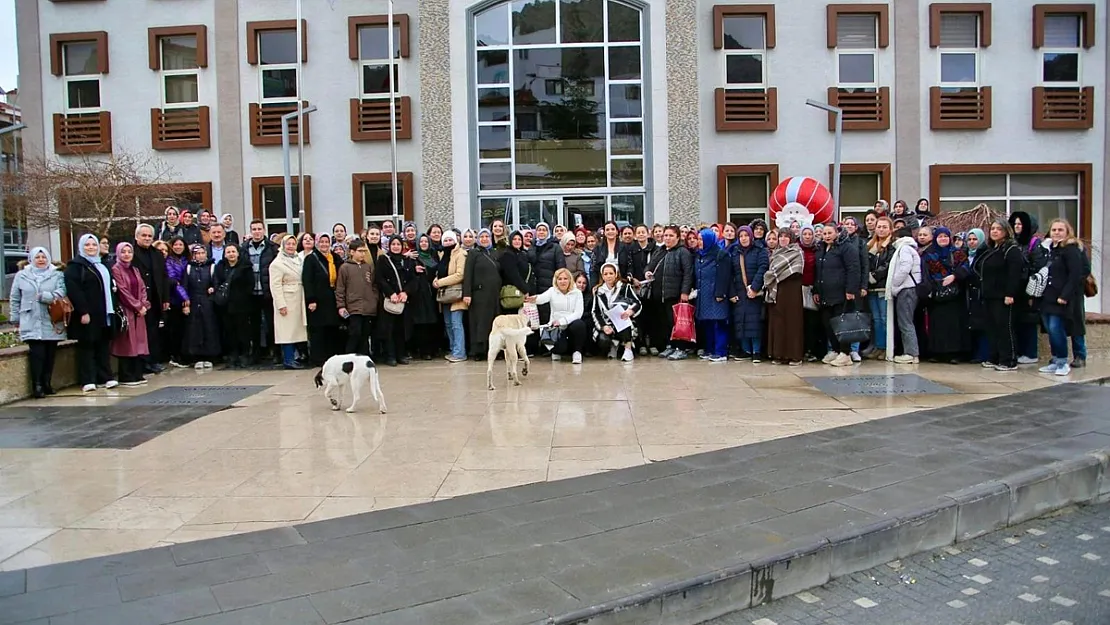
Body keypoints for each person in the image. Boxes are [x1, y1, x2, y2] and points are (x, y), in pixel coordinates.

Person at [10, 247, 67, 397]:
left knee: (50, 354)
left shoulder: (57, 274)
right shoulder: (22, 276)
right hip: (31, 319)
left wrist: (45, 297)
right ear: (31, 259)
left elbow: (61, 292)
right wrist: (15, 318)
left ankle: (47, 382)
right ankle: (37, 385)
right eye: (37, 257)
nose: (41, 260)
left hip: (51, 320)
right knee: (37, 353)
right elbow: (15, 298)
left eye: (43, 257)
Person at [970, 219, 1025, 372]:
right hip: (989, 295)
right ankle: (995, 357)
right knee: (992, 328)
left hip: (1004, 296)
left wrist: (1010, 293)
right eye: (992, 228)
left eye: (998, 229)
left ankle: (1009, 360)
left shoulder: (1011, 249)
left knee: (1004, 327)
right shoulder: (992, 249)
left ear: (1006, 231)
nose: (994, 231)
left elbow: (1014, 274)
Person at [66, 235, 119, 391]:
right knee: (87, 346)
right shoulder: (76, 267)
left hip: (104, 313)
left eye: (93, 245)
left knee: (103, 345)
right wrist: (83, 311)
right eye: (87, 245)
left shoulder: (102, 265)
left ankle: (105, 377)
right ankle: (88, 379)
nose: (91, 247)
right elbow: (74, 290)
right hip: (88, 314)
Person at [1038, 218, 1086, 377]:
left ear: (1067, 232)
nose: (1056, 233)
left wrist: (1064, 296)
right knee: (1051, 331)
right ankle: (1056, 359)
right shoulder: (1051, 249)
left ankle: (1062, 362)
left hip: (1060, 298)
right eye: (1054, 230)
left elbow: (1075, 275)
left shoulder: (1071, 250)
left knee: (1056, 328)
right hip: (1047, 297)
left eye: (1060, 230)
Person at [814, 224, 862, 367]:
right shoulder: (822, 248)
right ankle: (835, 350)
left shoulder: (846, 248)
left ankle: (845, 353)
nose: (827, 236)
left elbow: (853, 269)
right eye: (824, 233)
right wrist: (816, 290)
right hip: (825, 294)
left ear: (837, 233)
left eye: (830, 233)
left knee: (842, 324)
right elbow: (818, 271)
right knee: (828, 324)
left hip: (841, 293)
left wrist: (851, 290)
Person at [921, 227, 970, 364]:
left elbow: (966, 268)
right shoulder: (928, 254)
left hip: (954, 296)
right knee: (937, 324)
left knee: (954, 325)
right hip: (937, 295)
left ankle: (955, 353)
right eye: (940, 236)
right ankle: (938, 353)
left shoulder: (957, 253)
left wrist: (954, 276)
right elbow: (924, 273)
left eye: (945, 236)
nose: (943, 239)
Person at [645, 225, 694, 360]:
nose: (667, 238)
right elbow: (650, 266)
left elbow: (688, 273)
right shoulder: (660, 251)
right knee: (664, 322)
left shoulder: (682, 252)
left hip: (675, 294)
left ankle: (681, 348)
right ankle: (670, 346)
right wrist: (647, 272)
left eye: (671, 235)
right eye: (666, 235)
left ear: (678, 238)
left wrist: (684, 291)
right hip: (659, 294)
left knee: (677, 323)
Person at [109, 242, 151, 386]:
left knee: (139, 341)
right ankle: (126, 375)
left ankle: (137, 373)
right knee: (127, 342)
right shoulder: (116, 269)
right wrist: (137, 306)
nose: (126, 254)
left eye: (129, 252)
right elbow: (122, 291)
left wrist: (144, 304)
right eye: (123, 252)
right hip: (127, 310)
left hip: (139, 312)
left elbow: (142, 288)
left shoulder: (135, 270)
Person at [1009, 211, 1047, 365]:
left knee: (1028, 322)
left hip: (1028, 289)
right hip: (1015, 288)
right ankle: (1018, 351)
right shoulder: (1013, 242)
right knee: (1016, 322)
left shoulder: (1034, 243)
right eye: (1015, 224)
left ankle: (1030, 353)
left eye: (1020, 224)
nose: (1017, 227)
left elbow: (1038, 266)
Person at [763, 230, 805, 365]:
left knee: (793, 323)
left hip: (792, 290)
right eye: (780, 236)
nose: (783, 239)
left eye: (786, 237)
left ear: (791, 238)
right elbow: (772, 272)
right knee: (778, 323)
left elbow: (797, 269)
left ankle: (794, 355)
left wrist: (777, 276)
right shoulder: (775, 254)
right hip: (777, 291)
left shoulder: (797, 252)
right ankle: (779, 354)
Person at [530, 268, 587, 364]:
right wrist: (533, 299)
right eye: (559, 279)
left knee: (579, 325)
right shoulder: (552, 291)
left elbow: (578, 313)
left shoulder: (577, 293)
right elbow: (541, 298)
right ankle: (556, 351)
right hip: (556, 328)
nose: (562, 281)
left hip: (570, 324)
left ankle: (577, 352)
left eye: (565, 278)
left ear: (570, 280)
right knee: (559, 349)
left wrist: (562, 321)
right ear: (556, 280)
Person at [301, 233, 343, 366]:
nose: (324, 244)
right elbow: (307, 280)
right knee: (318, 330)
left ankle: (331, 357)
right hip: (318, 301)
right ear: (317, 243)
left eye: (327, 242)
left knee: (332, 329)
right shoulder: (311, 259)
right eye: (322, 242)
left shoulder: (335, 258)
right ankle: (318, 358)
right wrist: (311, 299)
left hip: (332, 299)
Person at [241, 219, 278, 365]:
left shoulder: (272, 248)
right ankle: (255, 354)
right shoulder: (244, 248)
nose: (257, 232)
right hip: (251, 293)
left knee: (271, 324)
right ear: (251, 231)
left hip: (267, 292)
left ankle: (274, 352)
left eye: (259, 229)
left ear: (264, 230)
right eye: (254, 229)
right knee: (253, 326)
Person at [376, 236, 417, 366]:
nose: (395, 246)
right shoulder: (383, 260)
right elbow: (379, 278)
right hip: (389, 300)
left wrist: (406, 292)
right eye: (393, 244)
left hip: (403, 300)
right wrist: (391, 293)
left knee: (401, 329)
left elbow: (413, 280)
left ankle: (401, 354)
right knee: (389, 329)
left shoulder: (407, 261)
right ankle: (390, 356)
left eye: (398, 244)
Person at [692, 228, 731, 363]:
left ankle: (720, 352)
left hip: (716, 294)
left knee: (718, 323)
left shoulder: (721, 255)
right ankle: (710, 350)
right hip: (703, 294)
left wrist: (720, 293)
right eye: (699, 239)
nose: (699, 242)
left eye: (701, 239)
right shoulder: (699, 255)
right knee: (707, 323)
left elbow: (725, 275)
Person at [463, 229, 503, 360]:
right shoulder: (474, 253)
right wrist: (467, 293)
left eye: (487, 236)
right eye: (482, 236)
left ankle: (494, 350)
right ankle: (478, 351)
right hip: (479, 294)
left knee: (494, 323)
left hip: (494, 294)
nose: (485, 239)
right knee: (479, 323)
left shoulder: (495, 253)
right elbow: (468, 274)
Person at [730, 226, 768, 362]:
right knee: (742, 322)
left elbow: (763, 268)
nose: (744, 238)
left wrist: (755, 288)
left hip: (754, 293)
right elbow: (732, 274)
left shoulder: (760, 251)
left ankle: (756, 351)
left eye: (746, 235)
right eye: (741, 236)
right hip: (740, 292)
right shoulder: (735, 252)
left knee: (755, 323)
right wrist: (732, 293)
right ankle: (746, 350)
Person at [213, 243, 254, 368]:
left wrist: (243, 296)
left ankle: (245, 354)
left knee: (243, 331)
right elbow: (217, 282)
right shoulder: (220, 267)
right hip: (225, 305)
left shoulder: (246, 266)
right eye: (228, 252)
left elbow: (250, 284)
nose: (231, 254)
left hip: (242, 305)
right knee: (229, 331)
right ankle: (233, 354)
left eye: (233, 252)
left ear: (238, 253)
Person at [270, 234, 308, 369]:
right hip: (287, 299)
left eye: (293, 244)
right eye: (288, 244)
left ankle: (297, 356)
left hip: (298, 298)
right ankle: (288, 359)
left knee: (297, 331)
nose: (291, 246)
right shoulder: (277, 263)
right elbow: (275, 286)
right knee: (286, 331)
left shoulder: (299, 259)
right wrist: (281, 305)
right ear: (283, 245)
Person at [336, 239, 379, 357]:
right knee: (355, 333)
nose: (363, 254)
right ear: (352, 252)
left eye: (364, 251)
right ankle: (348, 357)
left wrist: (374, 299)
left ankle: (364, 358)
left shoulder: (368, 267)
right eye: (360, 251)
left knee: (365, 334)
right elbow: (340, 288)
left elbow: (374, 285)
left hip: (368, 307)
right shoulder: (345, 267)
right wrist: (341, 306)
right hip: (353, 307)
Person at [591, 261, 641, 362]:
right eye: (605, 274)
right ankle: (613, 346)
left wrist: (630, 311)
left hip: (623, 321)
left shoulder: (624, 287)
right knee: (603, 340)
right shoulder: (598, 291)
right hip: (608, 323)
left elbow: (637, 303)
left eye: (611, 273)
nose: (608, 276)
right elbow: (595, 312)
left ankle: (628, 349)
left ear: (616, 274)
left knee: (623, 319)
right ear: (602, 276)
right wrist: (603, 326)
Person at [887, 226, 922, 364]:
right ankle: (911, 352)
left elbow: (905, 267)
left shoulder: (904, 249)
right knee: (906, 321)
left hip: (906, 289)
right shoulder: (910, 248)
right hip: (908, 288)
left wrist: (895, 282)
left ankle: (911, 353)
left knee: (905, 322)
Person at [182, 245, 220, 368]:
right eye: (197, 253)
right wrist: (185, 303)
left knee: (209, 328)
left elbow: (217, 283)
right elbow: (184, 286)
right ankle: (196, 356)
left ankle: (210, 356)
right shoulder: (188, 268)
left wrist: (213, 289)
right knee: (194, 330)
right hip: (193, 301)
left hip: (207, 302)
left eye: (202, 253)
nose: (200, 256)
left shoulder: (212, 267)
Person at [434, 230, 468, 363]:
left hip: (456, 294)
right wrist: (436, 279)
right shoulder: (443, 254)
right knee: (448, 324)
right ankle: (454, 349)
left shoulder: (461, 254)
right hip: (445, 295)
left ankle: (460, 352)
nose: (448, 242)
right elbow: (441, 271)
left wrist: (440, 282)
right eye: (445, 240)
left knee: (456, 324)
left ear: (456, 240)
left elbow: (460, 274)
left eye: (450, 240)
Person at [866, 216, 895, 360]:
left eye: (884, 227)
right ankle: (878, 346)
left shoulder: (892, 246)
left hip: (883, 287)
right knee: (876, 319)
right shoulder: (870, 245)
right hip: (871, 288)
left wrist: (874, 276)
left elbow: (888, 264)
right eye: (879, 227)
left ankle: (886, 348)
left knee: (884, 319)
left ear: (890, 229)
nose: (881, 229)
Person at [409, 234, 441, 359]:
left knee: (433, 322)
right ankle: (423, 351)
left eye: (425, 241)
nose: (423, 243)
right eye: (421, 241)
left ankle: (433, 349)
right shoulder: (413, 257)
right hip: (419, 294)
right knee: (421, 322)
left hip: (432, 293)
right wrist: (413, 268)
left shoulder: (433, 256)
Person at [163, 237, 191, 368]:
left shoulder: (187, 259)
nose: (179, 247)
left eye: (181, 244)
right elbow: (174, 282)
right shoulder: (169, 261)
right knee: (175, 329)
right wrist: (185, 299)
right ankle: (175, 356)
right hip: (175, 298)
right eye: (176, 244)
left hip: (188, 295)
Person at [798, 225, 823, 361]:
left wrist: (817, 289)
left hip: (813, 288)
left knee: (812, 322)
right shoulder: (796, 249)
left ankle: (812, 350)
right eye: (805, 234)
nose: (807, 236)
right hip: (798, 289)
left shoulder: (818, 250)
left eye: (810, 234)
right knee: (799, 321)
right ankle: (800, 349)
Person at [499, 231, 533, 314]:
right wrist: (525, 290)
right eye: (514, 239)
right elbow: (513, 275)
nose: (517, 241)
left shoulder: (522, 254)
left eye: (519, 239)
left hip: (522, 292)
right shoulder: (507, 254)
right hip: (512, 293)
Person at [591, 221, 623, 286]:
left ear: (617, 232)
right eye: (607, 230)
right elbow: (593, 269)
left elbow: (629, 266)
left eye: (613, 229)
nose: (610, 231)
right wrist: (594, 285)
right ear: (604, 233)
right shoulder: (598, 249)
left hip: (621, 282)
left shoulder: (624, 247)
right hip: (603, 283)